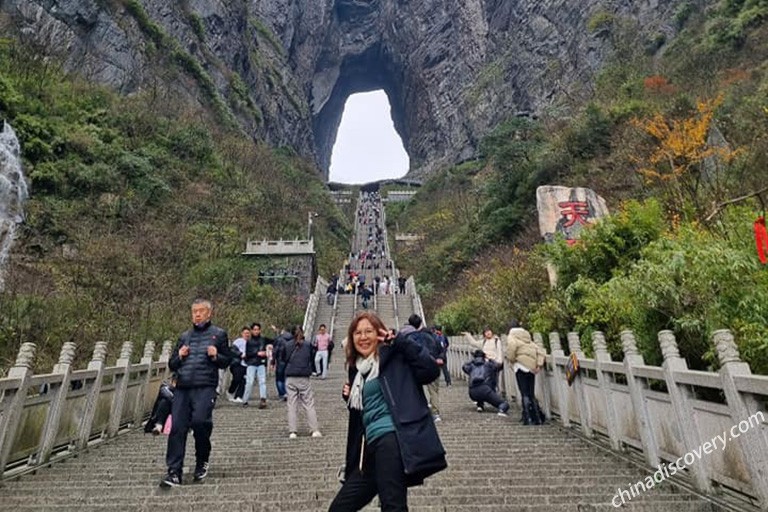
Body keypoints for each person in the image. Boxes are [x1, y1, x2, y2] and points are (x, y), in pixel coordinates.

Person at [329, 311, 447, 511]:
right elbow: (362, 415)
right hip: (369, 450)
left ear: (379, 334)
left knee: (392, 505)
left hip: (392, 440)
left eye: (369, 331)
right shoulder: (357, 370)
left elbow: (430, 370)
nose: (363, 337)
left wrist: (400, 341)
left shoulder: (395, 357)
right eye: (357, 333)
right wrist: (349, 399)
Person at [160, 298, 231, 488]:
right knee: (177, 429)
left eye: (200, 311)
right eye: (194, 312)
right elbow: (172, 364)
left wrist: (216, 355)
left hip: (205, 386)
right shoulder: (184, 336)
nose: (197, 314)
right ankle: (174, 472)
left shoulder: (219, 334)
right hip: (183, 387)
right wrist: (180, 356)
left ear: (209, 313)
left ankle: (202, 459)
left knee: (200, 422)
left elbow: (226, 361)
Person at [276, 325, 322, 438]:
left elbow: (283, 359)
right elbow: (311, 358)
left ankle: (292, 431)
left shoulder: (287, 345)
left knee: (292, 404)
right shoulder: (307, 345)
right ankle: (314, 429)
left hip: (290, 376)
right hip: (304, 376)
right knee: (308, 404)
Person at [399, 314, 445, 422]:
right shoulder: (431, 335)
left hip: (416, 368)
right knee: (433, 391)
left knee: (414, 390)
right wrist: (440, 358)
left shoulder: (409, 336)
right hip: (432, 365)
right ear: (421, 323)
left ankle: (416, 412)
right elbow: (441, 349)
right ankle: (435, 413)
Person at [506, 320, 546, 425]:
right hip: (532, 368)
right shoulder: (527, 337)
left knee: (524, 392)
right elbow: (541, 351)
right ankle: (537, 419)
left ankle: (527, 418)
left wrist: (512, 359)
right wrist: (539, 365)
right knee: (531, 393)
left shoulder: (512, 336)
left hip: (520, 366)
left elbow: (511, 348)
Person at [462, 350, 509, 416]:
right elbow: (498, 366)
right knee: (504, 403)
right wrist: (490, 359)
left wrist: (472, 360)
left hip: (472, 392)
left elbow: (464, 366)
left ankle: (480, 405)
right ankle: (501, 410)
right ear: (484, 356)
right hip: (485, 390)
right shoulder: (488, 365)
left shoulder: (471, 366)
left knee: (479, 393)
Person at [242, 322, 272, 409]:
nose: (256, 331)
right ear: (251, 331)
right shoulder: (249, 341)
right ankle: (245, 400)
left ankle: (263, 399)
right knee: (249, 382)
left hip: (261, 363)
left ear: (260, 330)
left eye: (257, 329)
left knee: (262, 382)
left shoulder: (263, 339)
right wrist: (257, 353)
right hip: (251, 363)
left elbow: (275, 341)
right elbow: (247, 354)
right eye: (254, 330)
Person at [227, 326, 250, 402]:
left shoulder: (251, 342)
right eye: (245, 333)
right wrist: (240, 354)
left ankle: (239, 396)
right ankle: (230, 391)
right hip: (237, 363)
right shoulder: (238, 341)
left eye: (248, 333)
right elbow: (232, 350)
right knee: (237, 379)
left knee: (244, 381)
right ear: (242, 333)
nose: (247, 334)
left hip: (247, 365)